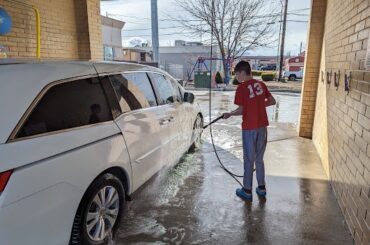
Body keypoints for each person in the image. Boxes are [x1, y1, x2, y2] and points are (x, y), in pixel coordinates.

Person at [223, 61, 276, 202]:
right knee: (259, 159)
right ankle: (261, 188)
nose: (236, 77)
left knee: (248, 160)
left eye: (236, 74)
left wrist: (229, 114)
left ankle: (247, 191)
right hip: (262, 127)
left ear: (242, 72)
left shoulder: (241, 88)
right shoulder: (261, 84)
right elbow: (272, 101)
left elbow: (241, 110)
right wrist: (258, 105)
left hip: (249, 128)